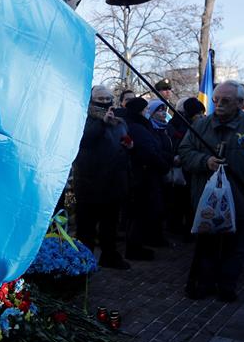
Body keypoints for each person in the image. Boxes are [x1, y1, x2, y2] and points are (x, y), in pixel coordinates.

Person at [179, 82, 244, 301]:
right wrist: (205, 161)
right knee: (206, 246)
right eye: (216, 100)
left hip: (240, 198)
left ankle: (227, 285)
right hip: (206, 200)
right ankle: (204, 283)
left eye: (225, 101)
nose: (219, 105)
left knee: (235, 247)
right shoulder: (201, 125)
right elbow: (185, 152)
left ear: (239, 102)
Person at [73, 85, 133, 269]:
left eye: (108, 99)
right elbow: (84, 141)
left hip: (113, 181)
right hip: (89, 182)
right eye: (101, 100)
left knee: (110, 225)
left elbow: (123, 140)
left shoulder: (120, 121)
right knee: (86, 228)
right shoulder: (82, 118)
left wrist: (129, 146)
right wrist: (101, 122)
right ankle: (85, 260)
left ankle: (109, 255)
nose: (106, 103)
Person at [124, 97, 172, 260]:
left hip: (141, 175)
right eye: (145, 110)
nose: (147, 113)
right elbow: (148, 152)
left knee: (138, 214)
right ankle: (134, 248)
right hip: (142, 177)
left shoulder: (137, 125)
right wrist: (164, 165)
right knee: (139, 214)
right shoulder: (138, 127)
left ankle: (136, 245)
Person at [166, 98, 206, 237]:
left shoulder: (197, 124)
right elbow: (176, 143)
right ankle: (176, 227)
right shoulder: (176, 124)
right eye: (198, 113)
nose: (201, 116)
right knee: (179, 201)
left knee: (189, 201)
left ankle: (189, 227)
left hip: (192, 168)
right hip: (181, 169)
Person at [144, 99, 173, 247]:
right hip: (154, 173)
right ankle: (153, 237)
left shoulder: (165, 128)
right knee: (154, 207)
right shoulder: (150, 129)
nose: (163, 113)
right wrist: (169, 159)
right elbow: (155, 151)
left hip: (164, 171)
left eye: (164, 110)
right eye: (159, 110)